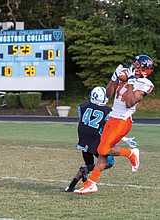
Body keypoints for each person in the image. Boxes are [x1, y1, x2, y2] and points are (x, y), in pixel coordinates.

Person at [74, 54, 154, 194]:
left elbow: (129, 103)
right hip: (112, 118)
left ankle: (131, 153)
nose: (133, 65)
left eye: (137, 64)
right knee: (101, 152)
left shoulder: (146, 84)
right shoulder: (126, 74)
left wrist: (129, 81)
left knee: (103, 149)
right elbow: (108, 94)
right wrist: (114, 78)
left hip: (123, 121)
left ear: (144, 69)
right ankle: (91, 184)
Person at [64, 86, 137, 192]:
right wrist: (124, 139)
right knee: (108, 162)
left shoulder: (83, 106)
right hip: (96, 139)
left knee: (88, 164)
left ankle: (70, 187)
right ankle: (87, 172)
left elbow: (81, 122)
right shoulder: (108, 111)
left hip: (83, 139)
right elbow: (109, 129)